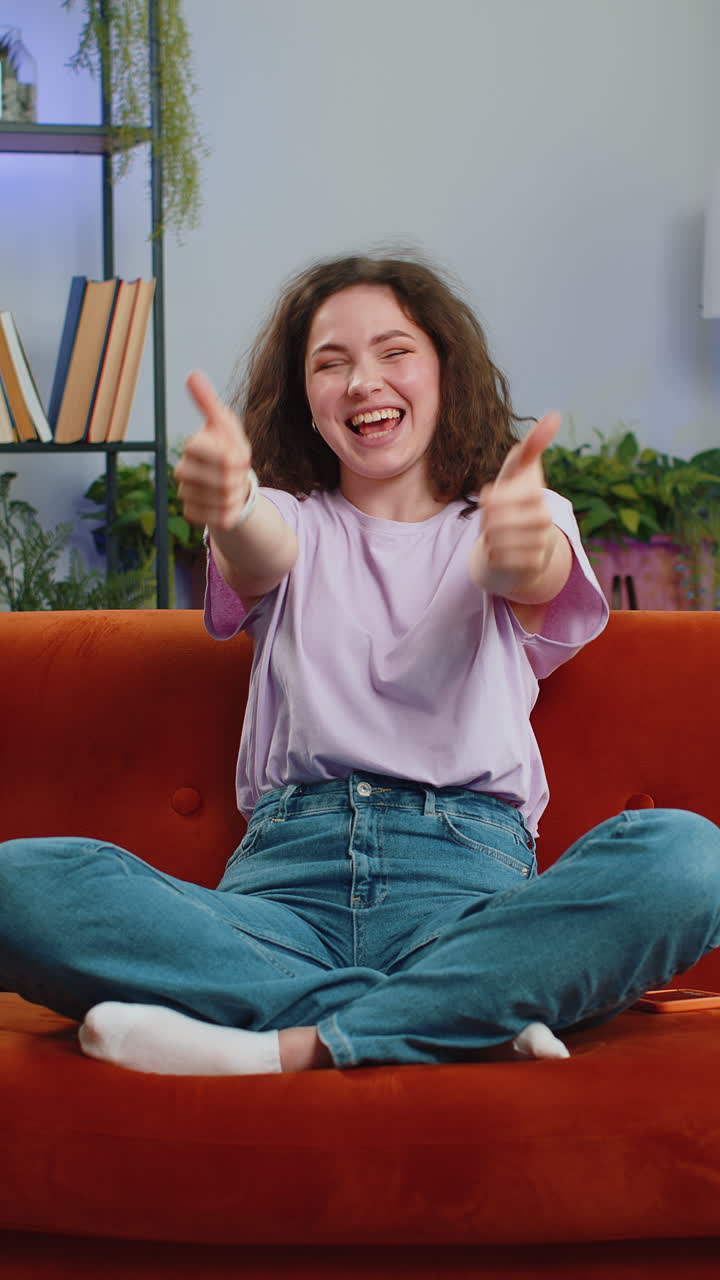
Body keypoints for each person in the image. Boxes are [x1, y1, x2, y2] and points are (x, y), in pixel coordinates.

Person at [2, 252, 720, 1076]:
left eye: (394, 351)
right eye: (330, 363)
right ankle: (464, 1012)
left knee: (690, 860)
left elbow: (527, 571)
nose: (362, 381)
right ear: (305, 400)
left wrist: (518, 550)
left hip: (469, 897)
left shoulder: (516, 515)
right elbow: (255, 548)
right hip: (279, 909)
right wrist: (231, 506)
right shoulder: (282, 518)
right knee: (15, 885)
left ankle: (287, 1045)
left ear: (445, 370)